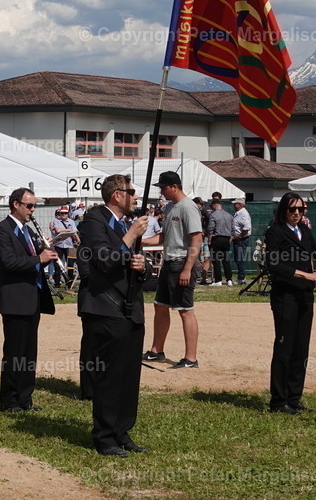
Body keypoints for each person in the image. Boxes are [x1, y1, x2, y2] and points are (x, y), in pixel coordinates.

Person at [77, 175, 150, 456]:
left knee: (129, 374)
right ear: (117, 195)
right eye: (131, 192)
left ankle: (123, 430)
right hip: (106, 307)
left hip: (131, 308)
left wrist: (142, 267)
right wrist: (131, 235)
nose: (135, 197)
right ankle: (105, 436)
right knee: (109, 375)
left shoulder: (122, 224)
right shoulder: (94, 221)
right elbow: (103, 259)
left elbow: (132, 265)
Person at [0, 188, 58, 412]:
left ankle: (25, 397)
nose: (32, 210)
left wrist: (46, 255)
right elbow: (9, 263)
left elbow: (32, 262)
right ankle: (9, 399)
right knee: (14, 352)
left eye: (34, 206)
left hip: (32, 297)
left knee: (29, 352)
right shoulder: (2, 230)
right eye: (29, 205)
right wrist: (38, 257)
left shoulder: (27, 230)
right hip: (15, 298)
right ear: (15, 205)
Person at [263, 192, 316, 414]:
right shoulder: (275, 231)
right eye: (292, 210)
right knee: (285, 347)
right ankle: (278, 400)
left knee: (301, 348)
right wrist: (304, 275)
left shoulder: (303, 230)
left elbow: (314, 253)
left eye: (300, 210)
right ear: (284, 210)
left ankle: (294, 397)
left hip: (305, 296)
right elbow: (273, 265)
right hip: (286, 296)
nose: (296, 214)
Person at [143, 171, 203, 369]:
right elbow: (163, 237)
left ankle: (191, 358)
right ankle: (156, 351)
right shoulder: (170, 207)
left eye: (163, 187)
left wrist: (187, 268)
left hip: (181, 262)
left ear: (174, 187)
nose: (161, 191)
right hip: (169, 263)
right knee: (160, 305)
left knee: (185, 310)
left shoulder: (188, 207)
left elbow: (197, 239)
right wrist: (138, 241)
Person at [207, 199, 234, 285]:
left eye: (212, 206)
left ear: (215, 205)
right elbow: (233, 230)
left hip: (217, 238)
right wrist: (229, 239)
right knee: (226, 260)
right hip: (226, 239)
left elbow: (211, 229)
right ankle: (229, 279)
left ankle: (218, 280)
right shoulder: (229, 215)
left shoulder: (213, 215)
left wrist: (210, 240)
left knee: (216, 260)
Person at [49, 206, 78, 286]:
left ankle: (70, 283)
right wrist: (69, 230)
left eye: (65, 213)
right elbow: (58, 230)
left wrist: (78, 241)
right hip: (59, 245)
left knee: (70, 265)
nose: (63, 215)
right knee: (57, 265)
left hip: (69, 245)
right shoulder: (56, 221)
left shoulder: (71, 222)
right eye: (62, 213)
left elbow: (75, 231)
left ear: (67, 213)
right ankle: (57, 283)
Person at [231, 198, 252, 284]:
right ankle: (241, 277)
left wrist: (239, 236)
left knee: (240, 259)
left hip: (241, 240)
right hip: (239, 239)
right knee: (238, 259)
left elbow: (246, 228)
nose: (234, 205)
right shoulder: (239, 213)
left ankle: (241, 278)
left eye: (235, 204)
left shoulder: (243, 214)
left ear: (240, 204)